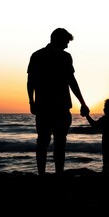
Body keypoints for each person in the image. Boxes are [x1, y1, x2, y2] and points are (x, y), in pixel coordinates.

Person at [27, 28, 90, 175]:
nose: (67, 45)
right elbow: (31, 82)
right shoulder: (39, 56)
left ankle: (53, 173)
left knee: (52, 141)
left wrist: (82, 102)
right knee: (49, 142)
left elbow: (71, 81)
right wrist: (31, 101)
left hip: (54, 107)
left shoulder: (59, 56)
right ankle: (48, 174)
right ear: (57, 39)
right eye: (66, 42)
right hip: (50, 107)